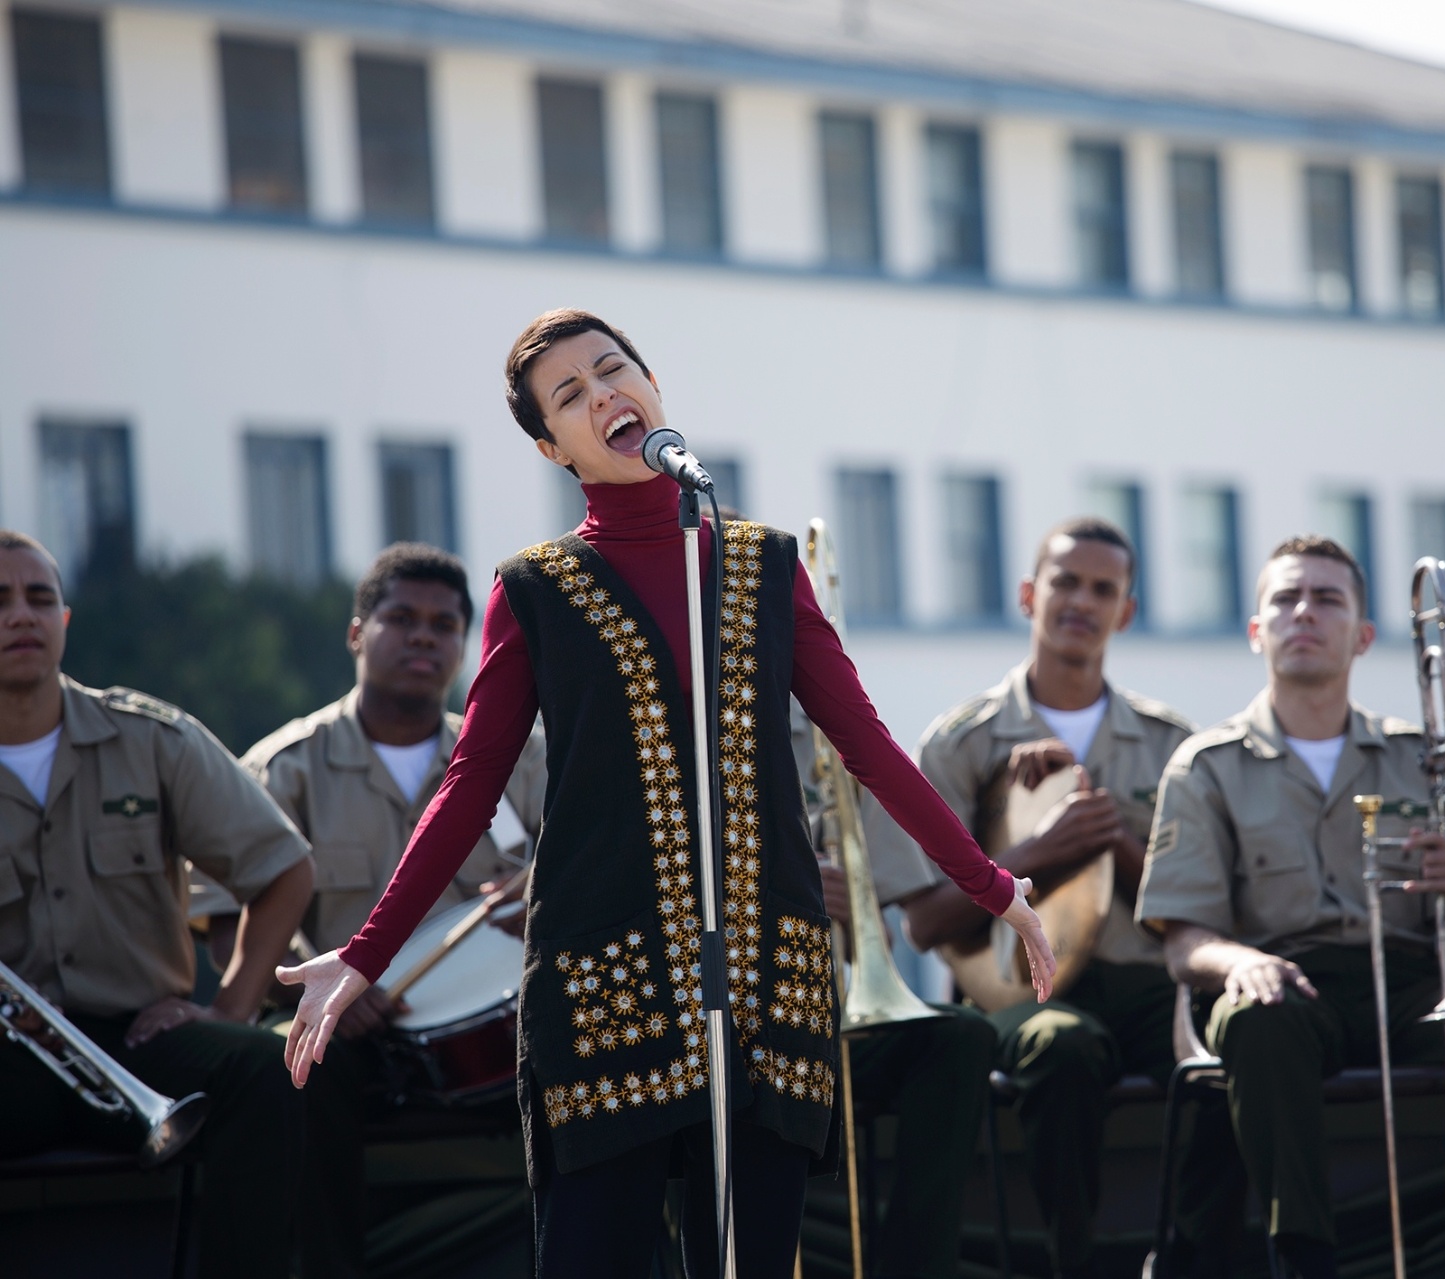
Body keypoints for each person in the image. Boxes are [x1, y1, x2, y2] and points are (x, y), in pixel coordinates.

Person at [276, 308, 1054, 1279]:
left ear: (653, 385)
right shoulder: (536, 588)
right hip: (605, 986)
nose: (605, 394)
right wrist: (362, 954)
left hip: (766, 976)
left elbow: (868, 745)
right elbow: (468, 785)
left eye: (613, 370)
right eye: (571, 395)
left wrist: (995, 890)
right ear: (551, 446)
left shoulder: (765, 563)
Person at [1137, 535, 1445, 1279]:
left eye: (1327, 599)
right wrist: (1244, 962)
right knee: (1257, 1022)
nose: (1305, 613)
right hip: (1287, 986)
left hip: (1413, 987)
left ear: (1362, 635)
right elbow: (1182, 940)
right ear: (1256, 629)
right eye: (1285, 599)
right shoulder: (1206, 767)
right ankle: (1303, 1257)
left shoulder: (1420, 755)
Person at [873, 517, 1241, 1279]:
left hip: (1142, 982)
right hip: (1015, 989)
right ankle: (1073, 1262)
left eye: (1103, 588)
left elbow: (1204, 903)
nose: (1081, 601)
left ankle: (1188, 1258)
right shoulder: (963, 742)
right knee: (1062, 1048)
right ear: (1027, 594)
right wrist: (1037, 850)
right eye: (1065, 581)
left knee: (1229, 1046)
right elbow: (924, 922)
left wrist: (1107, 838)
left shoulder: (1173, 741)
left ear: (1127, 611)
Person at [0, 530, 360, 1279]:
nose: (21, 615)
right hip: (15, 1058)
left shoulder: (149, 738)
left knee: (271, 1065)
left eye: (39, 598)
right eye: (0, 601)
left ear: (66, 621)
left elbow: (284, 866)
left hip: (140, 1035)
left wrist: (229, 1007)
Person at [233, 543, 547, 1271]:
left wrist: (545, 897)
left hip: (503, 1030)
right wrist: (324, 990)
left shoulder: (521, 759)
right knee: (298, 1071)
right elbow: (233, 925)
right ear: (356, 633)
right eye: (400, 617)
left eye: (444, 624)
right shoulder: (286, 766)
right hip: (344, 1030)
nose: (423, 637)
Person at [791, 704, 998, 1279]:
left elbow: (883, 938)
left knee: (957, 1038)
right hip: (713, 1026)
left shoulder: (833, 736)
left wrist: (849, 912)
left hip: (823, 1023)